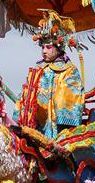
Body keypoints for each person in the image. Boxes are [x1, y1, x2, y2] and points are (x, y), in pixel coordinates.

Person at [15, 10, 85, 139]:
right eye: (42, 47)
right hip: (35, 121)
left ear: (59, 49)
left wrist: (50, 103)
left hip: (59, 126)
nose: (44, 51)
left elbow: (70, 96)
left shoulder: (69, 70)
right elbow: (25, 93)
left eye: (48, 47)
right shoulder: (37, 69)